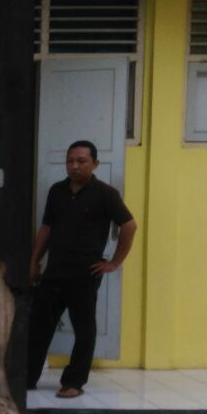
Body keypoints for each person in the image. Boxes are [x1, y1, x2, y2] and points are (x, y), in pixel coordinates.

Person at [27, 140, 137, 398]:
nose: (74, 166)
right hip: (54, 271)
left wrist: (114, 263)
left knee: (84, 329)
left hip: (85, 274)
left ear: (95, 164)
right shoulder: (57, 191)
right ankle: (26, 377)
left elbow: (129, 226)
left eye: (81, 161)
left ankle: (73, 382)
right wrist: (34, 261)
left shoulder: (106, 194)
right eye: (70, 161)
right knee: (38, 326)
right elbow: (47, 229)